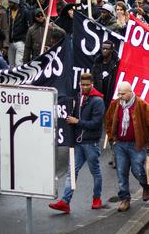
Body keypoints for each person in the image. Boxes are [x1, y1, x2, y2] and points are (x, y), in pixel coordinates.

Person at [49, 73, 105, 213]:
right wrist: (71, 139)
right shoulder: (79, 97)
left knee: (95, 172)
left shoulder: (97, 101)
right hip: (79, 143)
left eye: (87, 85)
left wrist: (77, 121)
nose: (84, 87)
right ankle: (65, 202)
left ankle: (97, 198)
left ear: (92, 84)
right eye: (82, 85)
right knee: (72, 172)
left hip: (91, 143)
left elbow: (96, 124)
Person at [105, 82, 149, 212]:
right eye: (119, 93)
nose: (120, 96)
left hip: (137, 144)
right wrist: (112, 138)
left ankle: (146, 185)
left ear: (130, 92)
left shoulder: (142, 105)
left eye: (123, 94)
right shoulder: (115, 104)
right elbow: (108, 121)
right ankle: (125, 198)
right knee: (121, 172)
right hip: (120, 144)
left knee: (138, 170)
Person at [6, 0, 30, 66]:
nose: (9, 4)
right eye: (9, 2)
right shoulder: (8, 11)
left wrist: (25, 39)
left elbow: (29, 26)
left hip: (21, 41)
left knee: (19, 63)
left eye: (11, 3)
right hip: (10, 42)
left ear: (16, 3)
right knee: (11, 64)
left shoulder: (25, 12)